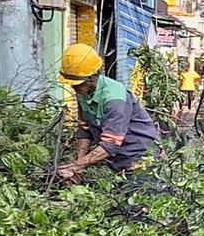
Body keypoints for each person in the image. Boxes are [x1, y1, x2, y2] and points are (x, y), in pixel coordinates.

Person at [58, 43, 163, 181]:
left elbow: (110, 144)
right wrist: (79, 164)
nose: (74, 87)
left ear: (93, 76)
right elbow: (85, 130)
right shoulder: (83, 92)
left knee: (138, 199)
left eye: (77, 83)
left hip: (143, 161)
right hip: (119, 163)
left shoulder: (114, 98)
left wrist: (74, 166)